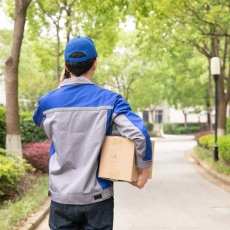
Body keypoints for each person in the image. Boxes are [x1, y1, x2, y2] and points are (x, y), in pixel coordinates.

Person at [33, 36, 152, 230]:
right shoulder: (111, 100)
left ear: (66, 66)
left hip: (61, 197)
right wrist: (144, 169)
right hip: (98, 198)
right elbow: (139, 133)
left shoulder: (47, 102)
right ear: (95, 64)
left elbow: (38, 120)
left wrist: (59, 89)